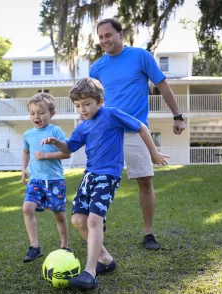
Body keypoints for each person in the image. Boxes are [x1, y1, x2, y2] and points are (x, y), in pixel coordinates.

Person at [41, 78, 169, 290]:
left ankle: (90, 273)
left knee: (93, 221)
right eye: (78, 106)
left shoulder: (111, 114)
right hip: (89, 175)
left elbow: (141, 127)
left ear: (100, 100)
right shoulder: (83, 126)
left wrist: (153, 153)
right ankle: (106, 260)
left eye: (87, 104)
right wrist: (56, 142)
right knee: (78, 220)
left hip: (108, 175)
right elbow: (68, 148)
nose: (82, 109)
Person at [90, 18, 187, 250]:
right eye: (101, 37)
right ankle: (98, 220)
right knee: (98, 180)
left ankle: (148, 233)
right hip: (107, 133)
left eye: (108, 35)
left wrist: (177, 116)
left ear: (120, 34)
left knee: (144, 180)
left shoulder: (140, 56)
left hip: (136, 130)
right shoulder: (97, 68)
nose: (104, 40)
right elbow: (91, 101)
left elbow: (163, 86)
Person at [21, 93, 71, 263]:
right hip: (36, 180)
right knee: (27, 208)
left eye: (41, 112)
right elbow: (26, 152)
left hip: (55, 180)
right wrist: (23, 169)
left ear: (51, 114)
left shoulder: (55, 131)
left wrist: (45, 155)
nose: (37, 116)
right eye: (33, 113)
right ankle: (35, 247)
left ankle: (65, 246)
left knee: (59, 215)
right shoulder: (28, 134)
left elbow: (66, 154)